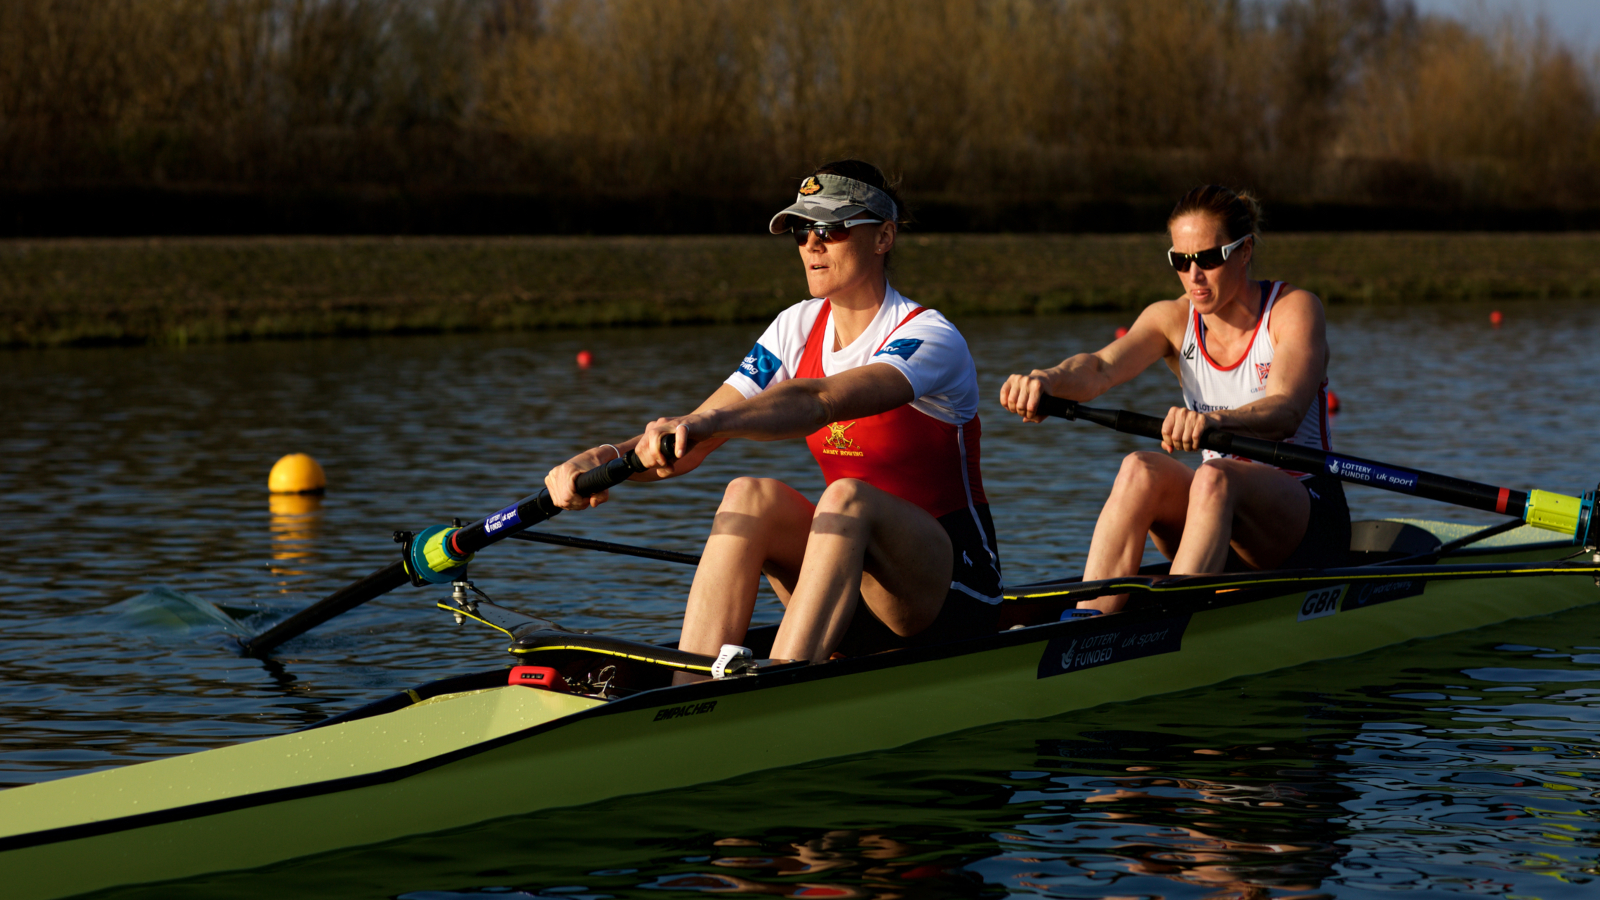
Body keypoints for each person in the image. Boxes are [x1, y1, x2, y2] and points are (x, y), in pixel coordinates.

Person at [546, 160, 1002, 665]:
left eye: (831, 229)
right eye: (803, 231)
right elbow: (689, 441)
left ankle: (778, 687)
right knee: (748, 495)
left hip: (951, 596)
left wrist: (711, 424)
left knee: (847, 499)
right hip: (851, 589)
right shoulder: (795, 326)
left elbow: (823, 400)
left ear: (883, 237)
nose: (811, 244)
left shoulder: (930, 336)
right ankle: (690, 693)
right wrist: (605, 458)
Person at [999, 185, 1347, 612]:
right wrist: (1046, 380)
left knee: (1215, 474)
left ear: (1244, 251)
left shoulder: (1294, 309)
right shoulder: (1172, 317)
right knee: (1138, 468)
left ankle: (1168, 626)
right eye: (1180, 261)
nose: (1194, 275)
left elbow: (1287, 411)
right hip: (1216, 513)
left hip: (1305, 519)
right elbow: (1100, 368)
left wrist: (1217, 422)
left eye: (1209, 258)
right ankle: (1085, 624)